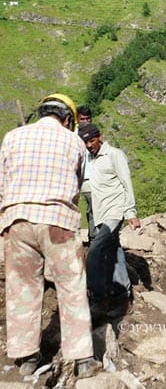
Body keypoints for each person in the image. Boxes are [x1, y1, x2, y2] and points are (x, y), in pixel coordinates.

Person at [0, 93, 101, 378]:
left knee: (21, 287)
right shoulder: (74, 141)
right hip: (57, 220)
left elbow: (2, 181)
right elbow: (78, 183)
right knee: (71, 286)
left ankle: (26, 357)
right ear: (68, 119)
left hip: (16, 219)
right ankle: (82, 359)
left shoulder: (12, 137)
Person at [78, 123, 140, 318]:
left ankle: (98, 298)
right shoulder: (89, 160)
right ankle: (124, 297)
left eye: (92, 140)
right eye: (85, 142)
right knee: (115, 250)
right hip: (100, 213)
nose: (89, 145)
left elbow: (126, 183)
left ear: (100, 137)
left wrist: (130, 212)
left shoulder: (114, 155)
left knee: (95, 251)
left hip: (115, 212)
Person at [76, 106, 94, 242]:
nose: (85, 121)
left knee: (93, 208)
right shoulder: (72, 135)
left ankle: (93, 237)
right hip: (74, 178)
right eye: (82, 119)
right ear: (77, 119)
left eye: (88, 118)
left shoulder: (94, 132)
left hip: (89, 177)